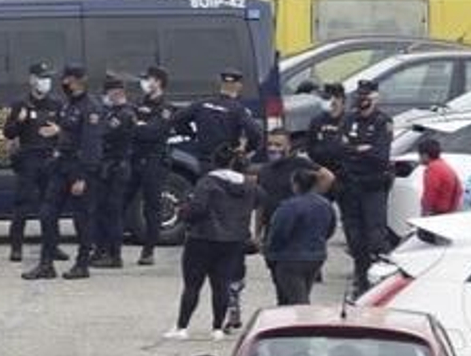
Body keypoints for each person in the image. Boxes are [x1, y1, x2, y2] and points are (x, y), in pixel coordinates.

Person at [166, 145, 256, 341]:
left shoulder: (207, 182)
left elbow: (198, 209)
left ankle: (182, 326)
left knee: (192, 285)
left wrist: (183, 212)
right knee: (221, 285)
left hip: (203, 238)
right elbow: (260, 200)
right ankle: (217, 327)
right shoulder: (248, 185)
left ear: (214, 162)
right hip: (232, 240)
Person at [24, 64, 103, 281]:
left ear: (77, 80)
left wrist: (82, 177)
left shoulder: (91, 108)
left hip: (79, 168)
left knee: (82, 219)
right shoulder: (68, 105)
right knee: (47, 213)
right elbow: (64, 133)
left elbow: (91, 145)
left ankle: (82, 264)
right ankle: (46, 264)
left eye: (67, 79)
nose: (63, 83)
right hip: (61, 166)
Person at [2, 62, 62, 263]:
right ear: (32, 80)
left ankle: (52, 246)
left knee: (50, 205)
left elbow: (68, 131)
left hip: (49, 159)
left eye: (48, 78)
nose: (46, 82)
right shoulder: (20, 103)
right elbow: (8, 133)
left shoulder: (56, 104)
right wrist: (19, 121)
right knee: (22, 204)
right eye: (42, 78)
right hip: (28, 159)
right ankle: (16, 248)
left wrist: (59, 131)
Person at [339, 79, 394, 298]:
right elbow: (340, 149)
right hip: (351, 186)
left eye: (366, 96)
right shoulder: (349, 119)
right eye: (359, 95)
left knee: (375, 237)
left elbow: (380, 156)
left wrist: (357, 151)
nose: (362, 99)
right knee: (354, 237)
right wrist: (360, 150)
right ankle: (360, 280)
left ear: (375, 98)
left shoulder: (383, 122)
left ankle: (379, 284)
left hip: (373, 187)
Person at [263, 168, 336, 306]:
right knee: (300, 292)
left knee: (297, 299)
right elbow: (330, 229)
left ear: (296, 185)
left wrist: (270, 250)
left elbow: (279, 232)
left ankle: (302, 318)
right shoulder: (325, 205)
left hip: (290, 257)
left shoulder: (289, 206)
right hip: (316, 255)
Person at [128, 65, 176, 267]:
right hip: (134, 159)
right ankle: (108, 249)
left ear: (159, 82)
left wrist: (139, 126)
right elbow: (129, 126)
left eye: (148, 79)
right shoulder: (138, 104)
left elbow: (152, 132)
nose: (145, 83)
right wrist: (138, 127)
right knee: (118, 200)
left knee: (152, 207)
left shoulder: (166, 108)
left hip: (154, 161)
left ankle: (148, 251)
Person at [89, 75, 137, 270]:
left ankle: (114, 255)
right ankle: (101, 250)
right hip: (106, 168)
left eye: (108, 93)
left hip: (117, 168)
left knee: (113, 212)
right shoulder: (111, 112)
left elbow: (103, 132)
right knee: (101, 211)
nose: (106, 96)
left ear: (117, 92)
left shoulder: (124, 114)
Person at [173, 68, 262, 167]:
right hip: (227, 161)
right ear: (239, 86)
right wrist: (246, 149)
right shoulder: (238, 110)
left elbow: (176, 119)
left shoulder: (202, 104)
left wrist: (191, 135)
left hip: (204, 160)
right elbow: (255, 133)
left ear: (220, 84)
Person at [417, 137, 464, 216]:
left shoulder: (432, 169)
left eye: (419, 155)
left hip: (438, 212)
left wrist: (425, 212)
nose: (419, 158)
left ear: (425, 155)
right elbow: (460, 190)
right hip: (449, 211)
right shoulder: (444, 166)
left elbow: (430, 193)